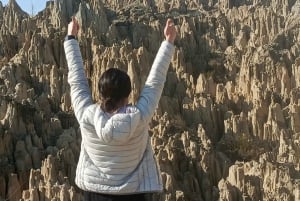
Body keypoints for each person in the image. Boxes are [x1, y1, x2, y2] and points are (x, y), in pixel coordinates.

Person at [64, 17, 176, 201]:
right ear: (129, 94)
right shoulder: (139, 118)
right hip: (136, 195)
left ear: (100, 93)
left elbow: (76, 81)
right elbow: (155, 82)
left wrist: (71, 38)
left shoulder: (86, 116)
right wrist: (168, 42)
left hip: (96, 194)